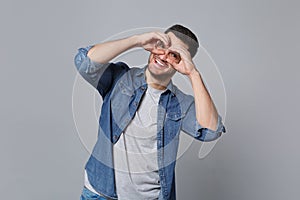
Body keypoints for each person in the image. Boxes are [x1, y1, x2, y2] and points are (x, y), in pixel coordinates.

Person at [74, 24, 226, 200]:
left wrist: (193, 73)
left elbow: (210, 132)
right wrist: (137, 40)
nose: (164, 56)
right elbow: (84, 62)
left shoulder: (181, 103)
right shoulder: (120, 78)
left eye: (174, 55)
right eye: (162, 46)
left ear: (181, 63)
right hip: (100, 192)